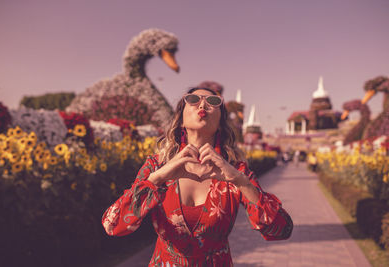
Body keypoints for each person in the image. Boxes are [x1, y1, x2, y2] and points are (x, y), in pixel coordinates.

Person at [101, 87, 293, 266]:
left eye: (212, 101)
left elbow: (282, 229)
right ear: (181, 119)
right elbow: (113, 225)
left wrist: (241, 182)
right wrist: (158, 178)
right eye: (193, 100)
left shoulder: (235, 171)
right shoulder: (156, 166)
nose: (202, 105)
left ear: (220, 122)